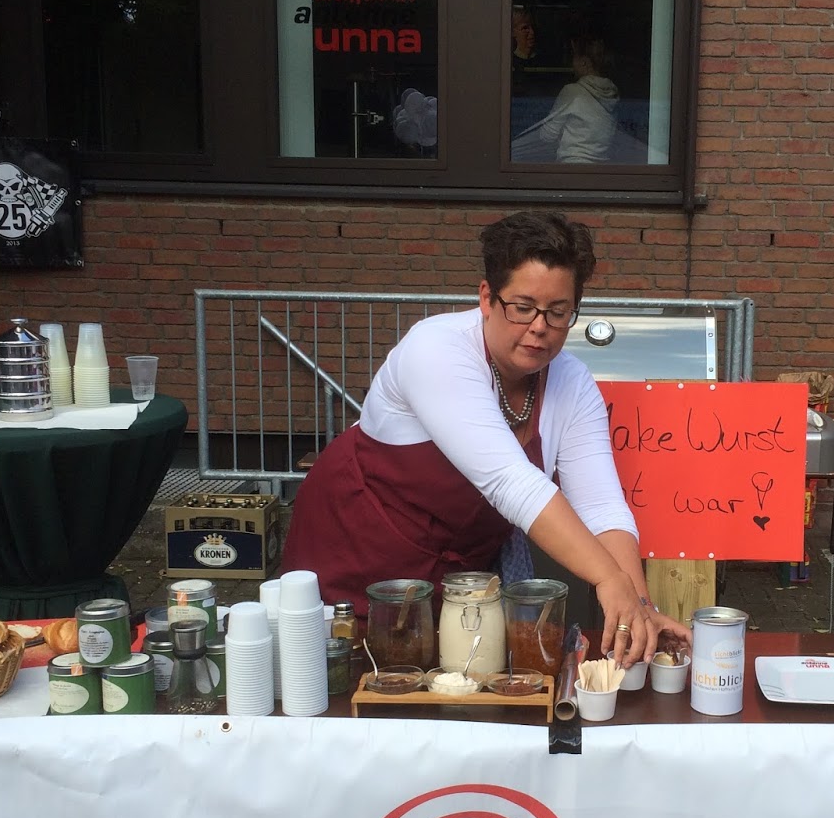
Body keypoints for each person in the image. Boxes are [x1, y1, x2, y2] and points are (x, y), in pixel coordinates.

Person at [279, 211, 687, 666]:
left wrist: (640, 607)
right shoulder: (436, 349)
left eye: (558, 312)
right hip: (356, 560)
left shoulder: (572, 383)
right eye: (523, 307)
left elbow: (602, 506)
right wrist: (608, 580)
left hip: (460, 592)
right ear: (487, 298)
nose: (540, 327)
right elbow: (511, 483)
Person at [534, 38, 618, 164]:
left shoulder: (572, 92)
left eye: (573, 57)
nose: (571, 63)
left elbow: (547, 136)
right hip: (601, 167)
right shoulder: (614, 93)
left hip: (572, 167)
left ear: (583, 62)